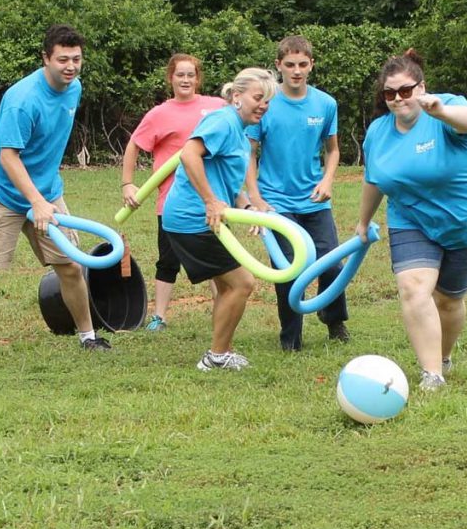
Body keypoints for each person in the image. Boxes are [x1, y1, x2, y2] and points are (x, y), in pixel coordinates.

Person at [0, 24, 111, 367]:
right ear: (45, 58)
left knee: (71, 266)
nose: (70, 66)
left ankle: (89, 338)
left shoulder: (74, 88)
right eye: (62, 59)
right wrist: (35, 202)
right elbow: (8, 156)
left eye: (76, 59)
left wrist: (43, 198)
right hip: (1, 192)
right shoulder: (22, 100)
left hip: (46, 192)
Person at [356, 50, 467, 392]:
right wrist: (362, 221)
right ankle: (432, 374)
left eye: (405, 90)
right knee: (415, 289)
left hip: (465, 218)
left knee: (448, 300)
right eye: (390, 94)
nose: (398, 99)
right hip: (410, 218)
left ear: (422, 87)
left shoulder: (443, 109)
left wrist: (443, 112)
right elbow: (374, 179)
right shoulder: (378, 131)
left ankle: (443, 357)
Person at [161, 67, 276, 372]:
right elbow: (188, 154)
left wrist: (249, 206)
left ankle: (219, 352)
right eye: (258, 98)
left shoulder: (239, 129)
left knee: (229, 286)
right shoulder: (223, 120)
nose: (263, 105)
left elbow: (227, 182)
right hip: (192, 218)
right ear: (237, 96)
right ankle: (216, 356)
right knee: (242, 283)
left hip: (204, 218)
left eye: (268, 101)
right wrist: (210, 201)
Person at [245, 34, 349, 351]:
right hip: (276, 202)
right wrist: (256, 200)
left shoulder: (325, 104)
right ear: (278, 66)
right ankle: (291, 337)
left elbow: (333, 151)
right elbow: (248, 153)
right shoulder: (266, 104)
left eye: (303, 64)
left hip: (314, 200)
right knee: (288, 268)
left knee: (331, 263)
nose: (297, 71)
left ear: (311, 65)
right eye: (289, 64)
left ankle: (335, 321)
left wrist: (328, 180)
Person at [121, 54, 226, 331]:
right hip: (171, 202)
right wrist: (127, 183)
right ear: (171, 78)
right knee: (168, 261)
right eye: (180, 75)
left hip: (209, 200)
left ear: (198, 78)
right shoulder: (159, 114)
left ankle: (223, 308)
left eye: (191, 75)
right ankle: (160, 316)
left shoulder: (216, 107)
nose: (186, 80)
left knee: (217, 259)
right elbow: (134, 145)